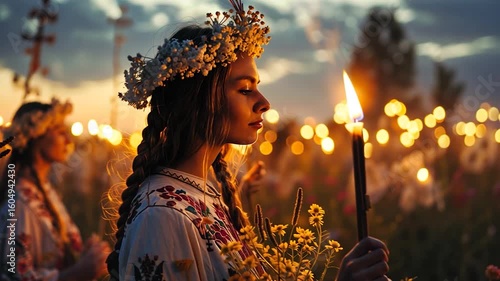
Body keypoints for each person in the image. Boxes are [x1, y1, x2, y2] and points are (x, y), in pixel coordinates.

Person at [106, 1, 390, 280]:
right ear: (198, 100)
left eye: (257, 87)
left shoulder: (202, 191)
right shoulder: (160, 216)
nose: (264, 103)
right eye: (245, 90)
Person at [0, 99, 110, 281]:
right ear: (37, 136)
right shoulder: (20, 203)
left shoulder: (44, 190)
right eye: (60, 132)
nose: (68, 140)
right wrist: (79, 272)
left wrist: (84, 257)